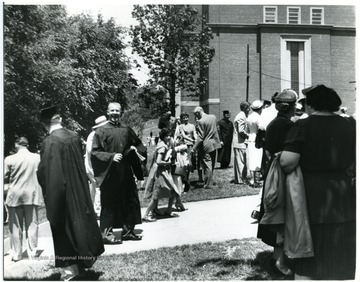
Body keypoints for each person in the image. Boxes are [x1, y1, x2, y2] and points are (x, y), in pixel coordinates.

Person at [280, 85, 356, 280]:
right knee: (340, 254)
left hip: (311, 195)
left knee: (311, 253)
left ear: (311, 104)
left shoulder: (303, 125)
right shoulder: (350, 124)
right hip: (343, 194)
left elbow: (288, 162)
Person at [37, 105, 104, 281]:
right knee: (79, 229)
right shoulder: (74, 136)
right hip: (79, 191)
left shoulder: (50, 142)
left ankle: (70, 272)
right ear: (60, 119)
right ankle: (81, 267)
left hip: (63, 195)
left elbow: (51, 175)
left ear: (44, 123)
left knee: (64, 231)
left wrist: (52, 201)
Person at [91, 102, 145, 243]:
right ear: (108, 112)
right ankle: (106, 235)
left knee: (129, 201)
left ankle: (128, 231)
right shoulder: (101, 131)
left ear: (121, 112)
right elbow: (95, 152)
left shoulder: (126, 129)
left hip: (125, 172)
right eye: (112, 110)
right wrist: (111, 156)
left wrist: (134, 151)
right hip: (109, 173)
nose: (115, 113)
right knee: (109, 204)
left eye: (117, 110)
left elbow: (139, 144)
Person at [257, 89, 297, 276]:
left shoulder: (274, 123)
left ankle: (278, 257)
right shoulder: (287, 125)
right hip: (282, 173)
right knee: (282, 215)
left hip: (273, 172)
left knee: (277, 214)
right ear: (290, 107)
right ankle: (280, 261)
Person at [4, 137, 43, 262]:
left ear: (16, 145)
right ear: (27, 145)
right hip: (31, 193)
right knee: (32, 223)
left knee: (15, 225)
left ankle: (17, 253)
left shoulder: (9, 159)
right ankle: (32, 251)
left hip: (14, 194)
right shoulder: (37, 157)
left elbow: (5, 178)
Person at [142, 128, 182, 222]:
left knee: (173, 191)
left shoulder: (163, 144)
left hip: (162, 171)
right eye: (166, 136)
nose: (169, 137)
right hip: (161, 172)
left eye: (170, 135)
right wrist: (169, 163)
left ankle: (167, 211)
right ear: (162, 137)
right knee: (157, 194)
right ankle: (146, 214)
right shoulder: (162, 147)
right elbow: (159, 161)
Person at [84, 115, 108, 218]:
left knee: (96, 188)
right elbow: (91, 150)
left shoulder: (100, 134)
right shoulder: (93, 135)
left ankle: (95, 208)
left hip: (96, 166)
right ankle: (98, 210)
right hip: (92, 166)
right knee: (99, 187)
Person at [192, 106, 222, 189]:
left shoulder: (201, 121)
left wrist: (194, 148)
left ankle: (208, 184)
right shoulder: (213, 117)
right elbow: (217, 129)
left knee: (207, 164)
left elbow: (200, 137)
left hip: (206, 144)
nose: (195, 117)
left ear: (198, 112)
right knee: (212, 163)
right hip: (214, 143)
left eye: (195, 115)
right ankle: (210, 182)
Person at [177, 112, 197, 192]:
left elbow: (194, 133)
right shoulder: (181, 126)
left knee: (190, 163)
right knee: (184, 163)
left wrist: (195, 139)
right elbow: (184, 135)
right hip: (185, 145)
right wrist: (191, 140)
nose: (185, 119)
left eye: (186, 117)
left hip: (191, 145)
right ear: (181, 119)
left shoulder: (192, 126)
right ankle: (183, 180)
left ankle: (187, 179)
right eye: (184, 118)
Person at [246, 100, 264, 187]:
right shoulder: (259, 117)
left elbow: (247, 129)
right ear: (259, 108)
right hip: (257, 139)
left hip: (250, 138)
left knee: (251, 159)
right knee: (257, 159)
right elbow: (261, 128)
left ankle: (252, 179)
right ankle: (256, 180)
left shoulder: (249, 117)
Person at [232, 101, 250, 184]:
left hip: (239, 142)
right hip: (240, 142)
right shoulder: (241, 117)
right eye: (248, 107)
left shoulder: (241, 115)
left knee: (240, 161)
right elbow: (241, 131)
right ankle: (241, 179)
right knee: (241, 162)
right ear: (245, 108)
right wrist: (248, 136)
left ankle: (240, 179)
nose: (249, 109)